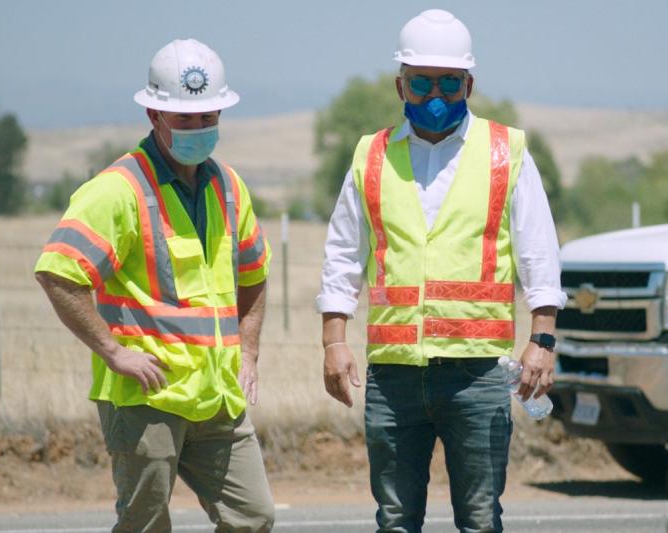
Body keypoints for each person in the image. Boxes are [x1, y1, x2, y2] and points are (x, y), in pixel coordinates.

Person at [316, 9, 567, 532]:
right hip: (394, 375)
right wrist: (333, 341)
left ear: (469, 84)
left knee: (479, 518)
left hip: (477, 374)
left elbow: (538, 252)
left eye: (450, 83)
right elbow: (343, 254)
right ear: (399, 84)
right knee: (395, 518)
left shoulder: (506, 151)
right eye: (421, 82)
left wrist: (542, 339)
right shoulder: (372, 155)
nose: (436, 95)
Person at [35, 39, 274, 532]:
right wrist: (113, 352)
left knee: (252, 517)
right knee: (145, 524)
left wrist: (248, 351)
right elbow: (58, 273)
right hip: (147, 397)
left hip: (217, 395)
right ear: (153, 114)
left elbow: (253, 274)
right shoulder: (117, 189)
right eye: (184, 118)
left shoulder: (229, 186)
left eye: (208, 117)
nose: (199, 128)